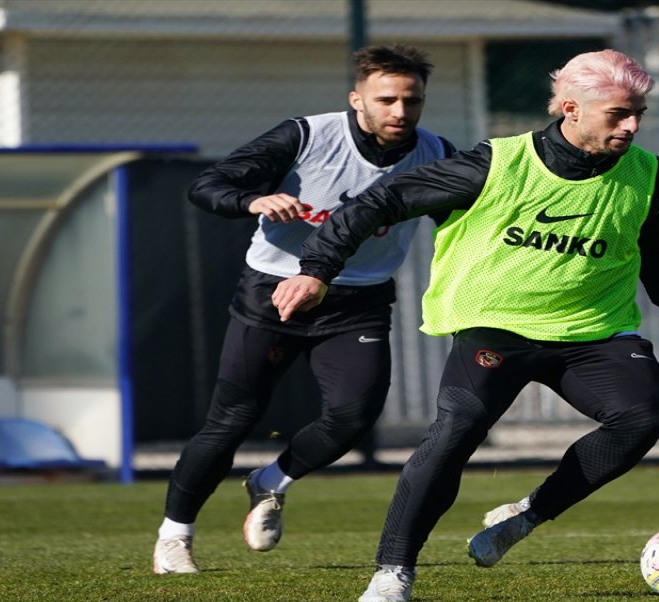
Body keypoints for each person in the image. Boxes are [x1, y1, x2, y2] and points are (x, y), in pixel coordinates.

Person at [272, 49, 659, 602]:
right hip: (494, 327)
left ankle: (527, 515)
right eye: (619, 113)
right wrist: (317, 271)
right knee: (456, 432)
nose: (633, 125)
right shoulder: (495, 164)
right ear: (571, 109)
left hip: (593, 331)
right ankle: (393, 569)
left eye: (639, 112)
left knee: (642, 416)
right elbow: (383, 199)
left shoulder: (653, 179)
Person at [152, 44, 456, 574]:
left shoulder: (436, 153)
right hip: (273, 292)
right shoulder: (307, 135)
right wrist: (254, 201)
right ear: (356, 99)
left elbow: (472, 216)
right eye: (387, 100)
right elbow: (209, 186)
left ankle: (271, 481)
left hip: (358, 300)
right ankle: (175, 536)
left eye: (412, 101)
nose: (400, 113)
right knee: (231, 421)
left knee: (354, 416)